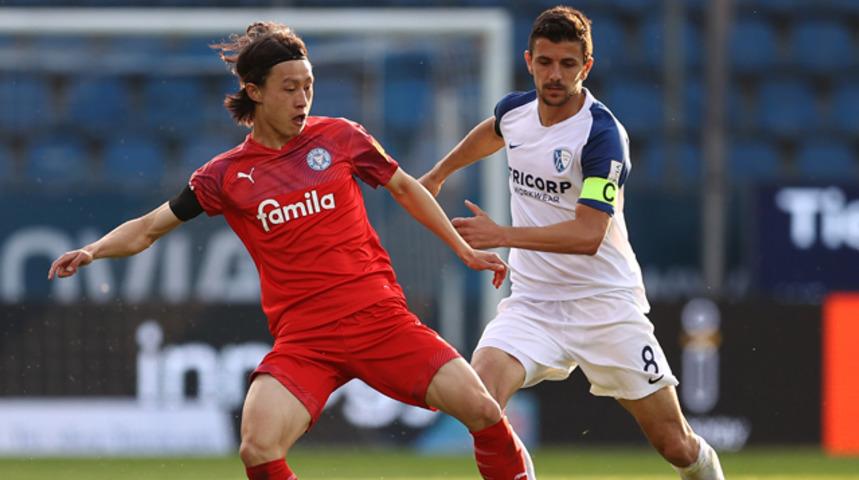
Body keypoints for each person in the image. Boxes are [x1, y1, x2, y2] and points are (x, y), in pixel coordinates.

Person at [48, 22, 528, 480]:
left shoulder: (342, 137)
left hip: (379, 320)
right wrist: (94, 250)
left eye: (308, 86)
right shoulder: (225, 176)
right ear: (255, 92)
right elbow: (150, 228)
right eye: (289, 88)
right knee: (257, 446)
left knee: (483, 409)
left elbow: (405, 188)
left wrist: (462, 248)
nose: (302, 100)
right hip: (306, 340)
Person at [420, 6, 725, 480]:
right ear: (529, 61)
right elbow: (494, 130)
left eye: (567, 64)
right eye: (545, 62)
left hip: (605, 306)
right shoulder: (516, 111)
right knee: (480, 400)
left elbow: (588, 235)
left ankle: (706, 469)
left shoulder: (602, 137)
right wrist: (440, 173)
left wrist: (503, 235)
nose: (555, 75)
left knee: (675, 444)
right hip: (534, 304)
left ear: (587, 66)